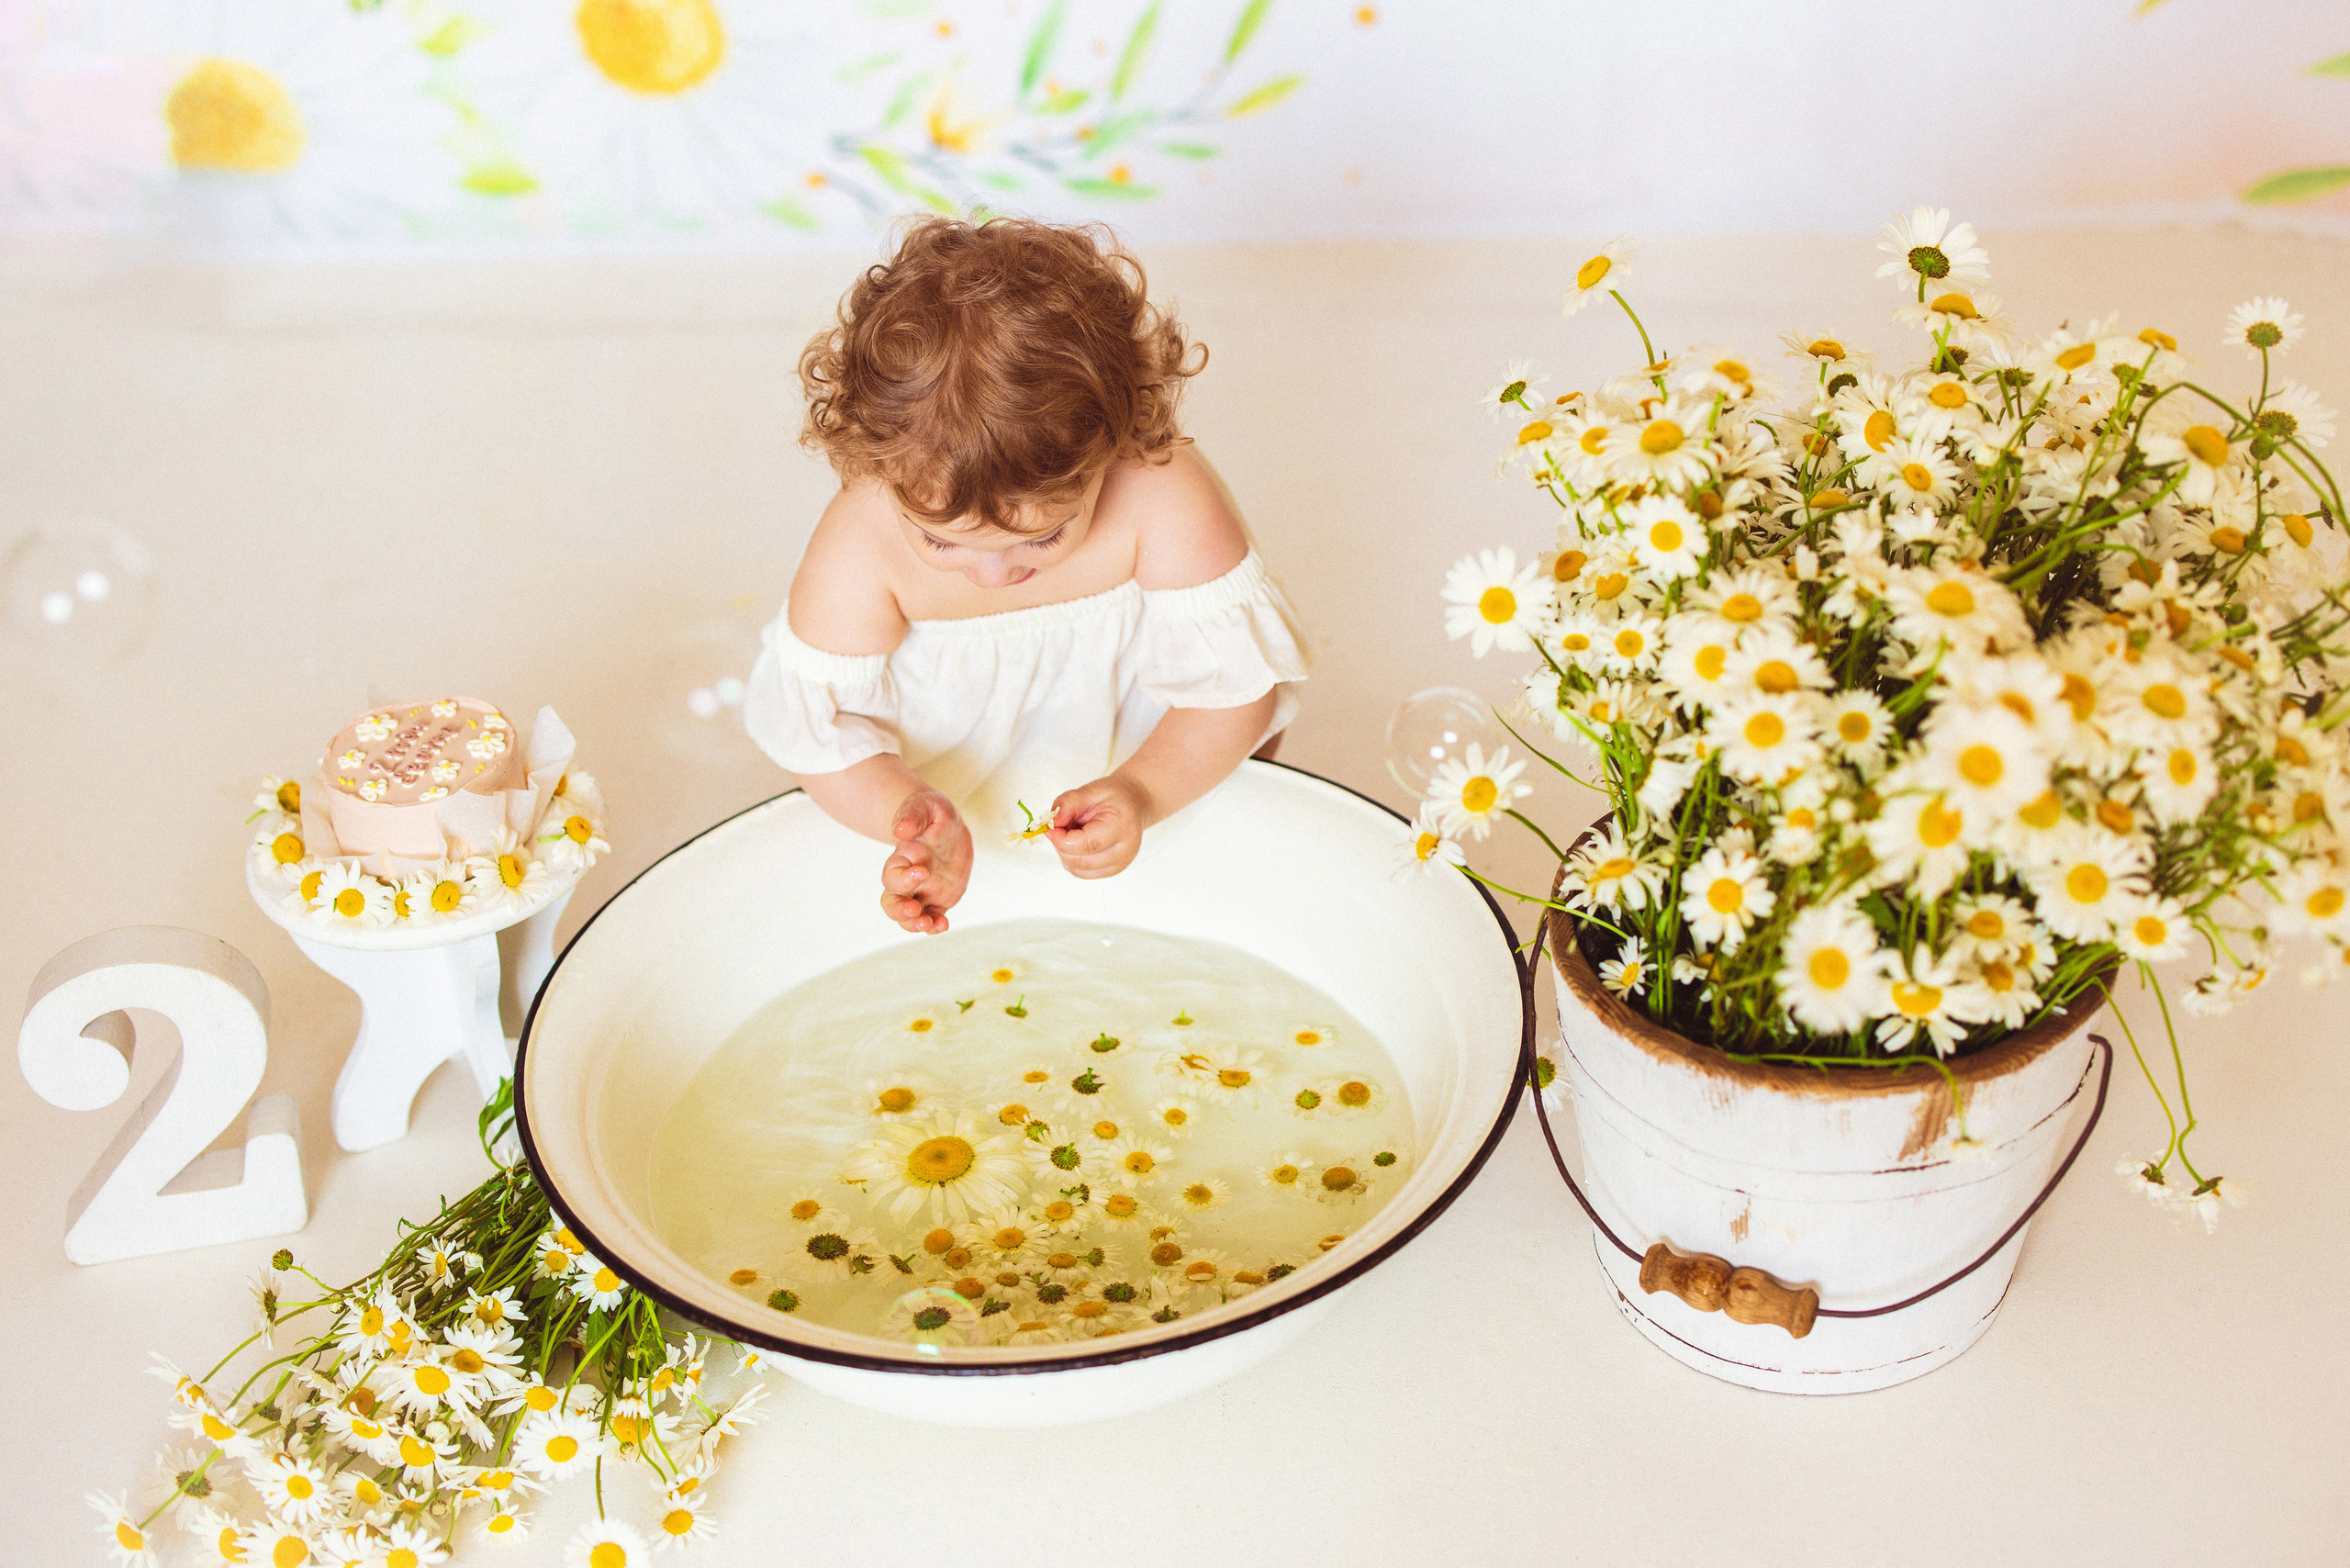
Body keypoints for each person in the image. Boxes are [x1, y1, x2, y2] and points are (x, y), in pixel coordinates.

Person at [744, 217, 1311, 935]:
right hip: (958, 808)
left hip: (1155, 784)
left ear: (1116, 444)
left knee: (1224, 866)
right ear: (878, 472)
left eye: (1043, 536)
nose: (994, 573)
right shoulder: (862, 542)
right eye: (941, 542)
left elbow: (1235, 693)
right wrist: (905, 814)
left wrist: (1142, 791)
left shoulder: (1159, 492)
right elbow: (821, 740)